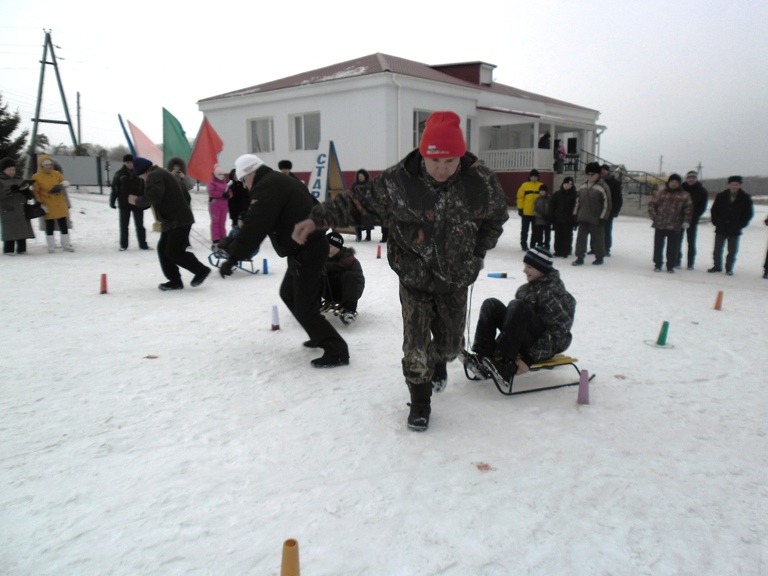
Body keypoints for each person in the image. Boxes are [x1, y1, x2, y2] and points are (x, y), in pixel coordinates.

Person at [292, 110, 509, 431]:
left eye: (450, 161)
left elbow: (496, 217)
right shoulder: (400, 181)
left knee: (450, 345)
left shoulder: (480, 181)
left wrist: (477, 253)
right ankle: (420, 403)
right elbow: (358, 201)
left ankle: (440, 363)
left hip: (456, 278)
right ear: (424, 154)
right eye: (435, 161)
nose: (441, 169)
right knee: (416, 345)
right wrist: (316, 219)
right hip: (414, 277)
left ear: (460, 156)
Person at [219, 154, 350, 369]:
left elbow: (256, 226)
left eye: (243, 180)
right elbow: (266, 214)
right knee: (289, 294)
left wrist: (233, 257)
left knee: (304, 307)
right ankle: (319, 334)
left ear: (251, 173)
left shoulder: (267, 186)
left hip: (308, 249)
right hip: (307, 247)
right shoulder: (280, 181)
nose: (244, 185)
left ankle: (337, 351)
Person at [464, 247, 575, 388]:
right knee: (491, 304)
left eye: (529, 267)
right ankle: (482, 355)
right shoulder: (525, 290)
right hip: (521, 342)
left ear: (541, 269)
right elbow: (513, 324)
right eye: (525, 266)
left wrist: (529, 359)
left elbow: (558, 334)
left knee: (517, 305)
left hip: (543, 346)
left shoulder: (557, 294)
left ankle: (506, 364)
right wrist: (498, 348)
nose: (524, 270)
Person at [128, 157, 211, 291]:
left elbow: (153, 196)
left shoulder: (154, 176)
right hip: (176, 220)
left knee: (174, 252)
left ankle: (201, 270)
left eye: (141, 177)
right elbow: (185, 195)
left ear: (143, 172)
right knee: (163, 250)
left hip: (177, 221)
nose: (142, 180)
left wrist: (136, 201)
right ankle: (174, 280)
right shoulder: (164, 173)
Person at [708, 176, 754, 276]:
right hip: (721, 227)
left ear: (739, 185)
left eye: (736, 184)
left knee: (732, 250)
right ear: (729, 185)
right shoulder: (721, 196)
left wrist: (741, 224)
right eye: (732, 184)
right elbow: (714, 210)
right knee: (717, 249)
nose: (734, 186)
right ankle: (717, 266)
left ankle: (729, 268)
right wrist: (716, 221)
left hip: (735, 228)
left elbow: (748, 213)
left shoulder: (745, 198)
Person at [648, 173, 693, 273]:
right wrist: (654, 216)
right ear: (668, 183)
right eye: (672, 182)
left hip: (675, 225)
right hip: (660, 224)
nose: (674, 184)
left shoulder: (685, 195)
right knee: (658, 246)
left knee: (673, 247)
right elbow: (652, 205)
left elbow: (688, 209)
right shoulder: (660, 193)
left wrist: (686, 221)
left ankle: (671, 265)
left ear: (679, 183)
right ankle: (658, 264)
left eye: (676, 182)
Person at [32, 154, 73, 253]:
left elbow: (62, 180)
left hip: (59, 202)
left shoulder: (56, 173)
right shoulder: (36, 177)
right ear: (41, 166)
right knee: (49, 225)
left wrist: (64, 183)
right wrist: (40, 203)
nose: (48, 166)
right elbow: (36, 192)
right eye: (46, 165)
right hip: (47, 203)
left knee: (63, 223)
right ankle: (51, 246)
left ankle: (66, 244)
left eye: (50, 164)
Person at [322, 231, 365, 325]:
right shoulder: (322, 258)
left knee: (349, 275)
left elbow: (359, 282)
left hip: (345, 294)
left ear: (337, 247)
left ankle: (349, 310)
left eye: (329, 246)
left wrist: (353, 297)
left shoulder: (350, 261)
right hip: (326, 292)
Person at [572, 162, 610, 266]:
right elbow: (578, 201)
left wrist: (603, 217)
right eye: (589, 174)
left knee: (598, 239)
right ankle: (580, 257)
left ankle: (599, 257)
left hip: (596, 218)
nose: (591, 176)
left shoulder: (603, 187)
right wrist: (575, 214)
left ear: (598, 174)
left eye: (593, 174)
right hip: (583, 217)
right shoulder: (583, 186)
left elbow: (607, 204)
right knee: (581, 240)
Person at [110, 154, 149, 251]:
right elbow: (115, 188)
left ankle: (143, 244)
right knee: (124, 225)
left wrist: (146, 201)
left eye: (131, 162)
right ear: (124, 163)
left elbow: (144, 187)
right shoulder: (119, 174)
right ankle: (123, 245)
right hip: (124, 204)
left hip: (137, 203)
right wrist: (112, 200)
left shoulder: (139, 173)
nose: (130, 164)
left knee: (140, 225)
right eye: (127, 162)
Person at [0, 157, 35, 255]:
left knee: (22, 229)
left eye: (13, 169)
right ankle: (9, 249)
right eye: (9, 170)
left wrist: (27, 192)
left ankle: (22, 248)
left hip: (21, 208)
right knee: (10, 229)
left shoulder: (19, 179)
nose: (12, 172)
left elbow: (28, 192)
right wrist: (9, 191)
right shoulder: (1, 180)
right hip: (8, 208)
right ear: (3, 170)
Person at [678, 170, 709, 269]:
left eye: (693, 178)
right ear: (686, 178)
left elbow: (702, 206)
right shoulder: (680, 188)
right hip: (679, 219)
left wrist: (694, 217)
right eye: (689, 178)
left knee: (691, 242)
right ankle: (677, 260)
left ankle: (690, 263)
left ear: (696, 179)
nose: (691, 179)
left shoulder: (702, 190)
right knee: (677, 241)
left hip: (693, 220)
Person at [550, 177, 577, 257]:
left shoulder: (575, 195)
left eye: (569, 184)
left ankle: (566, 250)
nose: (567, 186)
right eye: (565, 184)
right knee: (558, 235)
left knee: (567, 235)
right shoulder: (557, 194)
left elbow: (576, 207)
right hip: (558, 219)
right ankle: (558, 250)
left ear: (572, 185)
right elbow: (552, 206)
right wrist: (552, 216)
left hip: (569, 219)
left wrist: (575, 220)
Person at [600, 164, 622, 256]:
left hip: (609, 210)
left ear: (608, 171)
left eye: (604, 170)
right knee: (596, 230)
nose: (602, 172)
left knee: (607, 230)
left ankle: (606, 248)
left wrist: (615, 210)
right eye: (601, 170)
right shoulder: (597, 181)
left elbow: (618, 198)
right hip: (597, 210)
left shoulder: (614, 183)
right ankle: (594, 248)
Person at [516, 169, 542, 251]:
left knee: (535, 230)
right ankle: (523, 244)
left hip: (536, 213)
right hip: (526, 212)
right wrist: (520, 208)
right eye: (532, 176)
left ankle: (533, 244)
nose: (534, 178)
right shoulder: (524, 185)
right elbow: (520, 197)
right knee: (524, 230)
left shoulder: (541, 185)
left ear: (538, 177)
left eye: (535, 177)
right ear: (530, 177)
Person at [208, 164, 230, 249]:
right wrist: (221, 195)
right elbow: (211, 192)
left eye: (222, 174)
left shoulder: (225, 183)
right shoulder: (212, 182)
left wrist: (228, 195)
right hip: (215, 206)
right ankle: (216, 238)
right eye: (219, 174)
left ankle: (223, 237)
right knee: (215, 222)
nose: (221, 176)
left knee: (222, 222)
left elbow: (230, 192)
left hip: (224, 205)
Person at [350, 169, 374, 242]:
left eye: (361, 176)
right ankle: (358, 236)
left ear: (365, 177)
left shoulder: (369, 185)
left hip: (367, 206)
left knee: (367, 222)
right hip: (357, 206)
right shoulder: (355, 185)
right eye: (359, 176)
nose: (360, 178)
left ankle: (368, 236)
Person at [532, 184, 552, 250]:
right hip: (539, 221)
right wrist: (542, 216)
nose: (542, 192)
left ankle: (547, 247)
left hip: (548, 221)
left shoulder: (550, 199)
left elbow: (552, 208)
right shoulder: (537, 199)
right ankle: (539, 247)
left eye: (543, 191)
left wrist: (549, 216)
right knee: (539, 235)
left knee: (547, 236)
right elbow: (535, 210)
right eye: (541, 191)